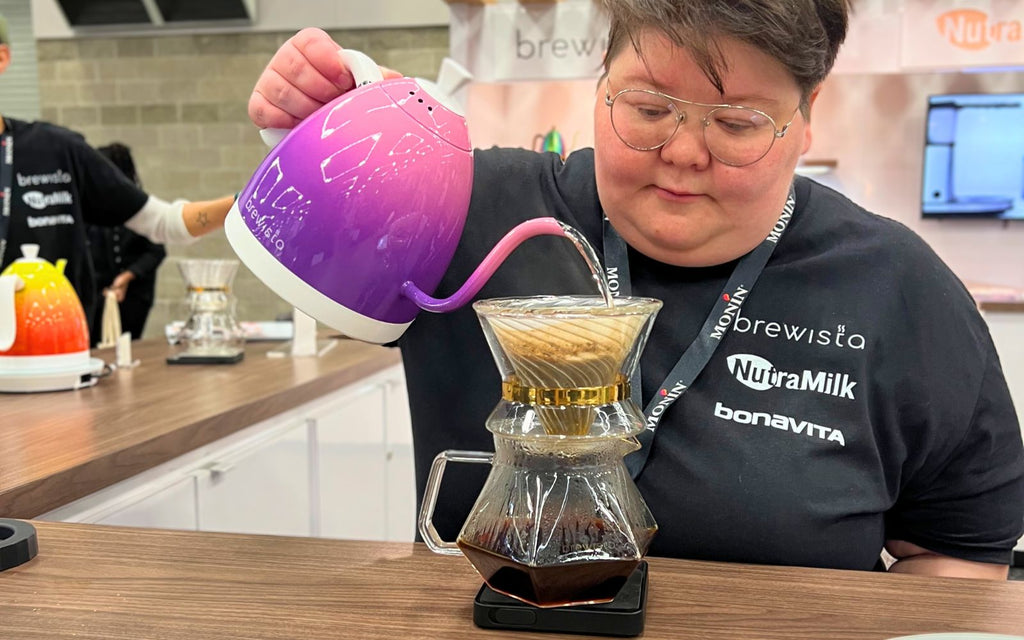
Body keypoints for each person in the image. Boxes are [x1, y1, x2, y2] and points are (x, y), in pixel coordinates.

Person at [248, 1, 1024, 579]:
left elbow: (959, 554)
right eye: (649, 107)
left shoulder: (896, 288)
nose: (683, 151)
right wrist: (317, 142)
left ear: (806, 116)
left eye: (738, 123)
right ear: (601, 82)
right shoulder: (469, 208)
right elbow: (322, 287)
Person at [0, 13, 233, 324]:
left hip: (60, 358)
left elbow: (165, 223)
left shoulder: (56, 151)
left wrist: (248, 204)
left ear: (2, 59)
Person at [86, 143, 167, 345]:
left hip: (134, 293)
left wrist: (128, 276)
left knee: (127, 343)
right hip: (97, 292)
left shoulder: (140, 208)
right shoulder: (90, 207)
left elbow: (156, 251)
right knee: (96, 343)